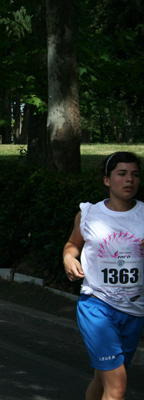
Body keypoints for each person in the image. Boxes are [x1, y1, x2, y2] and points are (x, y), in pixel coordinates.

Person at [63, 151, 144, 400]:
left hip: (134, 311)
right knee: (117, 385)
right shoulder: (89, 214)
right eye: (122, 174)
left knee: (103, 379)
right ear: (107, 180)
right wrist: (68, 257)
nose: (129, 180)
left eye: (135, 174)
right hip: (97, 306)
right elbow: (72, 244)